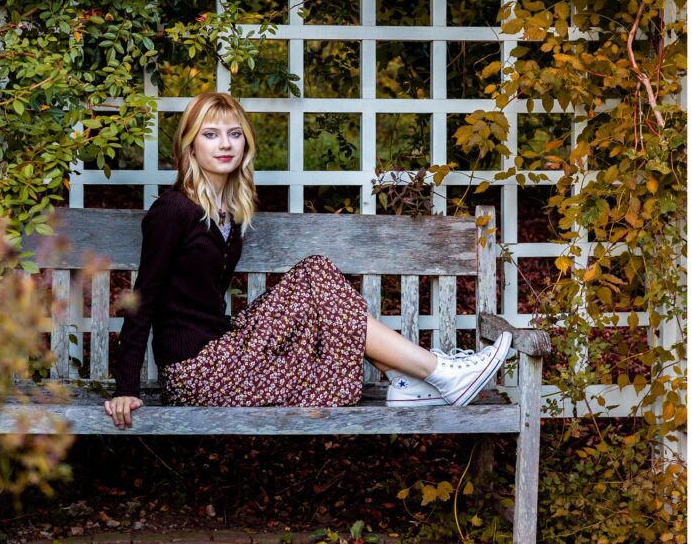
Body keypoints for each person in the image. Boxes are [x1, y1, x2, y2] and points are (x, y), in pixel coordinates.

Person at [105, 92, 511, 429]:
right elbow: (143, 298)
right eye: (210, 135)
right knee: (317, 287)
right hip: (199, 371)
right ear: (190, 144)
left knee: (315, 273)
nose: (225, 144)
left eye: (233, 134)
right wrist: (126, 386)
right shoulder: (173, 209)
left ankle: (407, 377)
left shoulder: (227, 209)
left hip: (226, 348)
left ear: (245, 142)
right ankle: (436, 371)